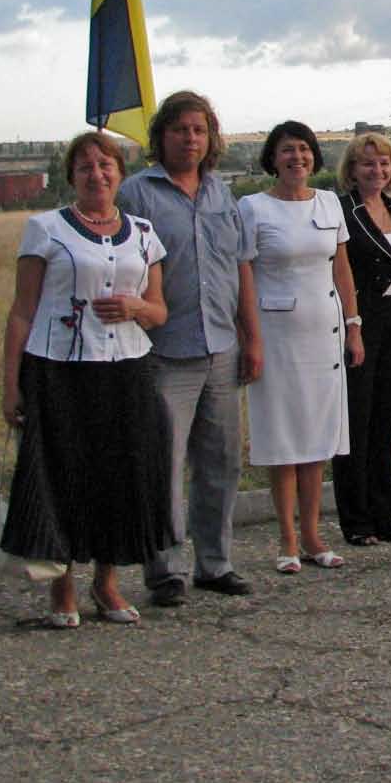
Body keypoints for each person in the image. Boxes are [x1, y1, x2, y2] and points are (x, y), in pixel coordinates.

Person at [0, 130, 173, 627]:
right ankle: (62, 585)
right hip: (60, 372)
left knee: (120, 475)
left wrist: (137, 306)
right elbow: (21, 312)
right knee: (63, 475)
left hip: (127, 371)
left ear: (120, 172)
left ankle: (108, 582)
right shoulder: (45, 229)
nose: (97, 175)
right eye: (85, 167)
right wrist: (11, 386)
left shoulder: (143, 234)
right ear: (70, 176)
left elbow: (159, 311)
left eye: (106, 165)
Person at [118, 91, 262, 605]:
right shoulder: (137, 194)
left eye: (199, 130)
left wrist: (253, 339)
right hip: (163, 352)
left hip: (222, 347)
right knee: (164, 466)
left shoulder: (224, 195)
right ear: (161, 136)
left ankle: (215, 564)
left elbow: (242, 268)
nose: (191, 138)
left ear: (211, 138)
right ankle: (165, 572)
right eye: (180, 129)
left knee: (220, 464)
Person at [240, 121, 364, 571]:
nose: (298, 158)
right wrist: (250, 337)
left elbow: (343, 270)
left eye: (305, 150)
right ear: (273, 158)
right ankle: (287, 540)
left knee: (316, 438)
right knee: (284, 438)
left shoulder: (330, 202)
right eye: (288, 151)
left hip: (324, 336)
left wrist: (354, 326)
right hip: (276, 338)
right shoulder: (252, 208)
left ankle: (313, 536)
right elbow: (244, 274)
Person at [333, 132, 391, 546]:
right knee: (356, 422)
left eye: (383, 163)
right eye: (367, 163)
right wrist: (353, 324)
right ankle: (356, 518)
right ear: (352, 169)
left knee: (384, 419)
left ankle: (384, 512)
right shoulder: (342, 211)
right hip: (358, 321)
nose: (376, 170)